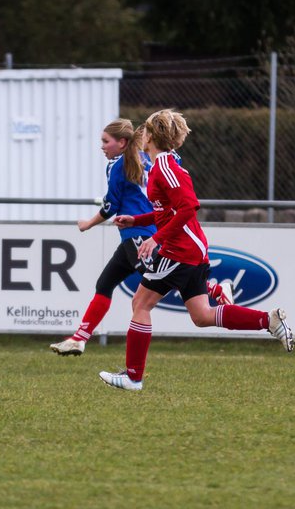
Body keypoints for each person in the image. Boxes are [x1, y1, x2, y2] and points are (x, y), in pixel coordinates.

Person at [101, 109, 293, 391]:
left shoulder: (164, 165)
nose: (141, 134)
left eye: (145, 130)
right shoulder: (163, 164)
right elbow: (168, 211)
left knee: (140, 304)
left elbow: (189, 206)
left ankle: (133, 377)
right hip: (190, 249)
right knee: (202, 316)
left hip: (181, 250)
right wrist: (137, 220)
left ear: (152, 136)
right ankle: (269, 320)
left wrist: (156, 239)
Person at [50, 119, 232, 357]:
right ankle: (79, 339)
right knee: (105, 283)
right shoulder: (147, 158)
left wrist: (88, 224)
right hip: (139, 232)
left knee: (161, 282)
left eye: (106, 141)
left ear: (122, 142)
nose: (102, 147)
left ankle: (214, 289)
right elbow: (174, 159)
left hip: (140, 236)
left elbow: (110, 206)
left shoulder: (117, 165)